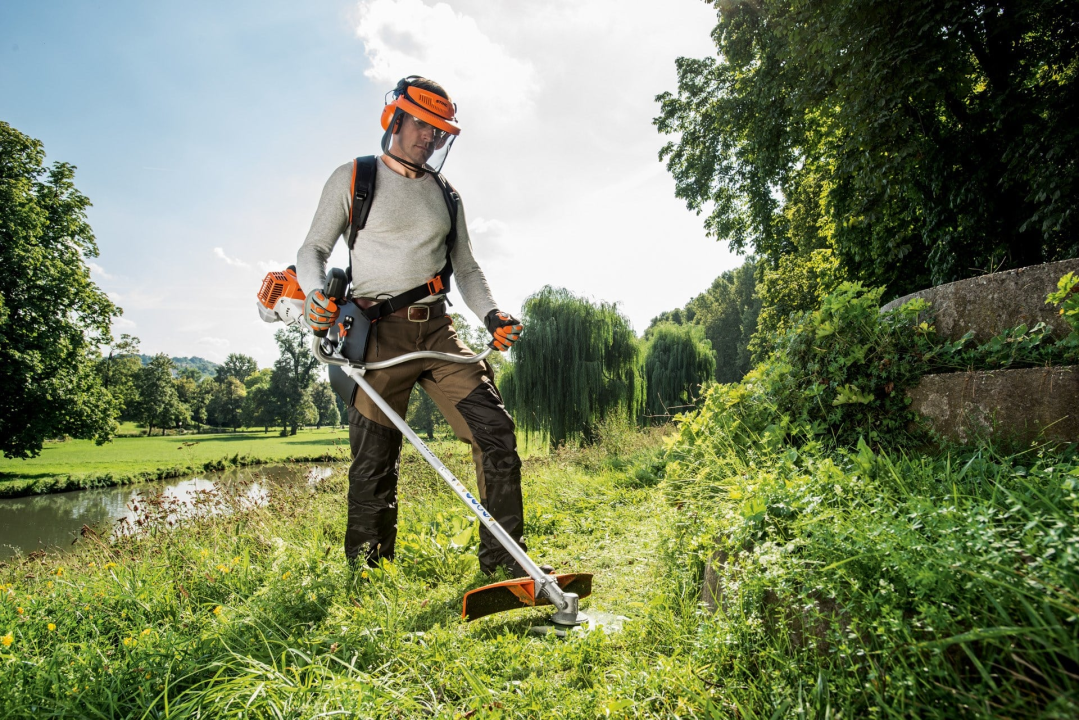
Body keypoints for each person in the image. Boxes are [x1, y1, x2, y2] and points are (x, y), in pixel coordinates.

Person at [295, 75, 536, 578]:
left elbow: (467, 268)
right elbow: (313, 250)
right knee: (373, 461)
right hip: (377, 336)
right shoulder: (355, 177)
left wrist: (491, 314)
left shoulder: (446, 195)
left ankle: (505, 564)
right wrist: (317, 294)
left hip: (439, 333)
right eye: (424, 126)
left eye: (440, 131)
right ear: (396, 119)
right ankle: (368, 574)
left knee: (495, 433)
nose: (431, 138)